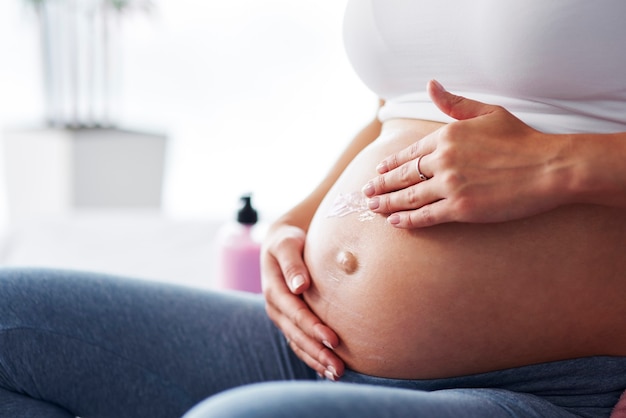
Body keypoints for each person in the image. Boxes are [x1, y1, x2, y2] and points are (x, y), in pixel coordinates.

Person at [2, 1, 626, 417]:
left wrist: (557, 164)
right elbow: (402, 106)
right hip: (309, 348)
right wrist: (295, 221)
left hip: (550, 386)